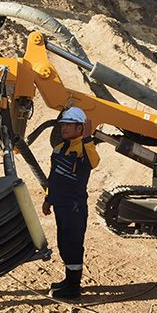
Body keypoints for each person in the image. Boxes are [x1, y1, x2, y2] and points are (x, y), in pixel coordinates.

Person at [42, 106, 100, 300]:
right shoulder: (59, 148)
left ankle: (74, 287)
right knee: (64, 243)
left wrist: (88, 139)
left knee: (73, 243)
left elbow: (94, 162)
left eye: (69, 124)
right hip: (60, 204)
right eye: (63, 124)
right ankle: (69, 281)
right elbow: (53, 177)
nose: (64, 128)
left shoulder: (84, 148)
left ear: (80, 127)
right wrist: (48, 198)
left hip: (74, 205)